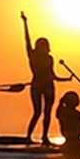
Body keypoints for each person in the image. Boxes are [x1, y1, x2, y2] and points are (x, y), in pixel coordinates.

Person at [20, 11, 69, 144]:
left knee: (48, 112)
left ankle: (44, 137)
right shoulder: (33, 56)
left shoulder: (49, 58)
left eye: (45, 45)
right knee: (37, 112)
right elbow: (26, 40)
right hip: (36, 86)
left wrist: (65, 79)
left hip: (49, 86)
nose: (43, 48)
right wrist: (25, 22)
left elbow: (52, 75)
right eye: (41, 45)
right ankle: (28, 137)